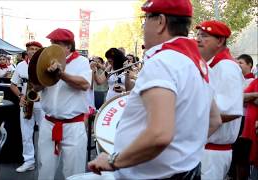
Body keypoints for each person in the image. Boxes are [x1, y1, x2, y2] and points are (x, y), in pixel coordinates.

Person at [88, 0, 221, 179]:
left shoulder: (163, 62)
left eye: (146, 19)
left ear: (160, 22)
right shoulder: (199, 64)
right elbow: (214, 121)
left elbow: (159, 135)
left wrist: (114, 161)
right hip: (186, 171)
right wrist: (181, 152)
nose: (143, 27)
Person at [36, 28, 91, 179]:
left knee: (74, 173)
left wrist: (61, 74)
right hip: (48, 123)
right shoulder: (45, 61)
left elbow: (85, 84)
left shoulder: (82, 62)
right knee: (45, 169)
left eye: (56, 43)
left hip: (73, 126)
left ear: (68, 46)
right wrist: (42, 76)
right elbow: (36, 87)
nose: (52, 46)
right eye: (51, 42)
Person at [196, 20, 244, 179]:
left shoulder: (226, 67)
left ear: (220, 41)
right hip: (206, 149)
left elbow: (230, 111)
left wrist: (190, 124)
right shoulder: (214, 66)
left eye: (204, 36)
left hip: (212, 152)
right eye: (197, 35)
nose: (198, 39)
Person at [10, 41, 44, 173]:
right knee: (26, 134)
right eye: (31, 49)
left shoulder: (45, 65)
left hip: (43, 104)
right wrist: (20, 96)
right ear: (27, 51)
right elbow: (13, 85)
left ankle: (45, 161)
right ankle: (29, 161)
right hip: (26, 103)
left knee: (45, 135)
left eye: (36, 49)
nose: (33, 51)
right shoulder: (20, 65)